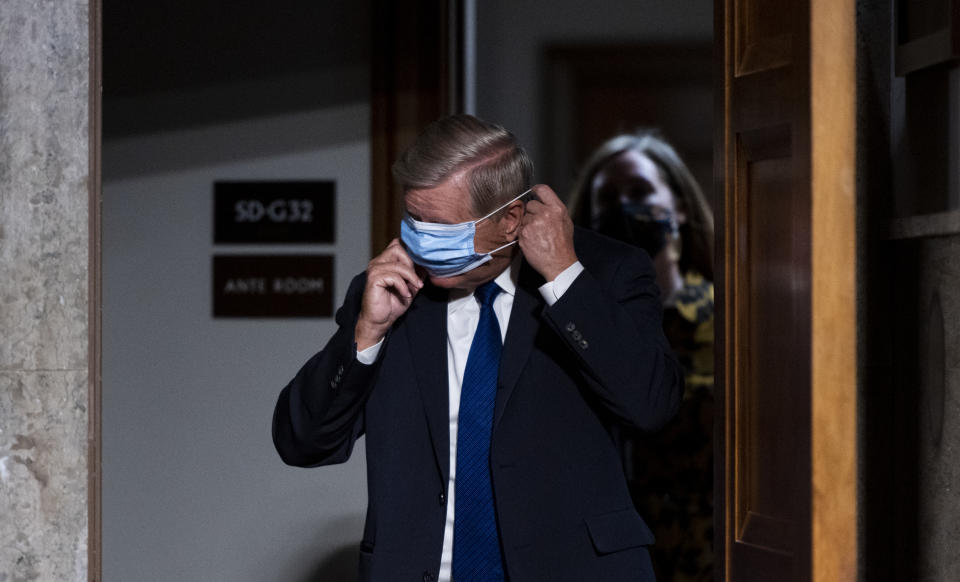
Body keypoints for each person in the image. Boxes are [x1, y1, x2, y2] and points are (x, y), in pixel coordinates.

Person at [273, 115, 684, 582]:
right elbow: (301, 442)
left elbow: (651, 405)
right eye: (413, 219)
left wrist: (564, 278)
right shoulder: (389, 291)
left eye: (440, 226)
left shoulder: (606, 273)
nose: (421, 239)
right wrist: (365, 334)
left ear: (510, 219)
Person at [568, 131, 715, 582]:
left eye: (640, 192)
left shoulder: (727, 319)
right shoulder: (573, 321)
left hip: (707, 547)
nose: (623, 208)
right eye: (608, 198)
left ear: (681, 206)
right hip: (604, 550)